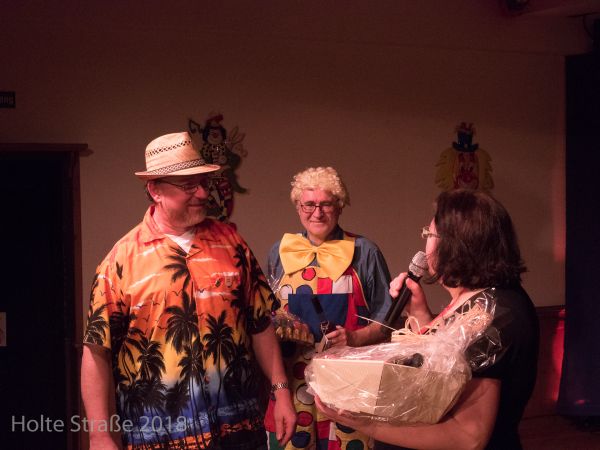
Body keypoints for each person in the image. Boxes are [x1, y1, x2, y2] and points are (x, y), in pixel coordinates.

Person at [81, 131, 296, 450]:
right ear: (155, 190)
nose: (202, 193)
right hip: (159, 436)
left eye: (204, 183)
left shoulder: (232, 243)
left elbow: (260, 323)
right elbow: (97, 351)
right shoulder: (120, 262)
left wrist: (281, 392)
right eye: (188, 185)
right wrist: (99, 434)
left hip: (239, 430)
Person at [316, 188, 540, 450]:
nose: (425, 245)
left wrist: (365, 423)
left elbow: (468, 436)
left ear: (456, 243)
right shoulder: (474, 298)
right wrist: (419, 314)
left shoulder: (496, 315)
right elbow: (442, 368)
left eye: (430, 234)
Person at [264, 166, 393, 450]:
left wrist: (355, 337)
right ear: (298, 207)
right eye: (309, 204)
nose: (317, 213)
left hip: (349, 384)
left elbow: (388, 321)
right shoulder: (279, 252)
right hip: (293, 382)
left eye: (326, 204)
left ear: (340, 206)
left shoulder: (365, 252)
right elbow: (266, 316)